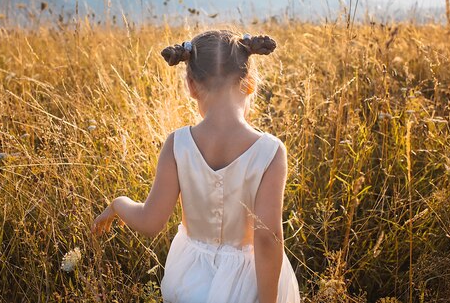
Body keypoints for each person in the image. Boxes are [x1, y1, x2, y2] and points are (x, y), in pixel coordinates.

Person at [92, 30, 300, 303]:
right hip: (247, 285)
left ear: (190, 85)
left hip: (190, 278)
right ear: (250, 83)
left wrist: (119, 203)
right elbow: (266, 238)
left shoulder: (177, 144)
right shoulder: (270, 151)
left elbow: (151, 221)